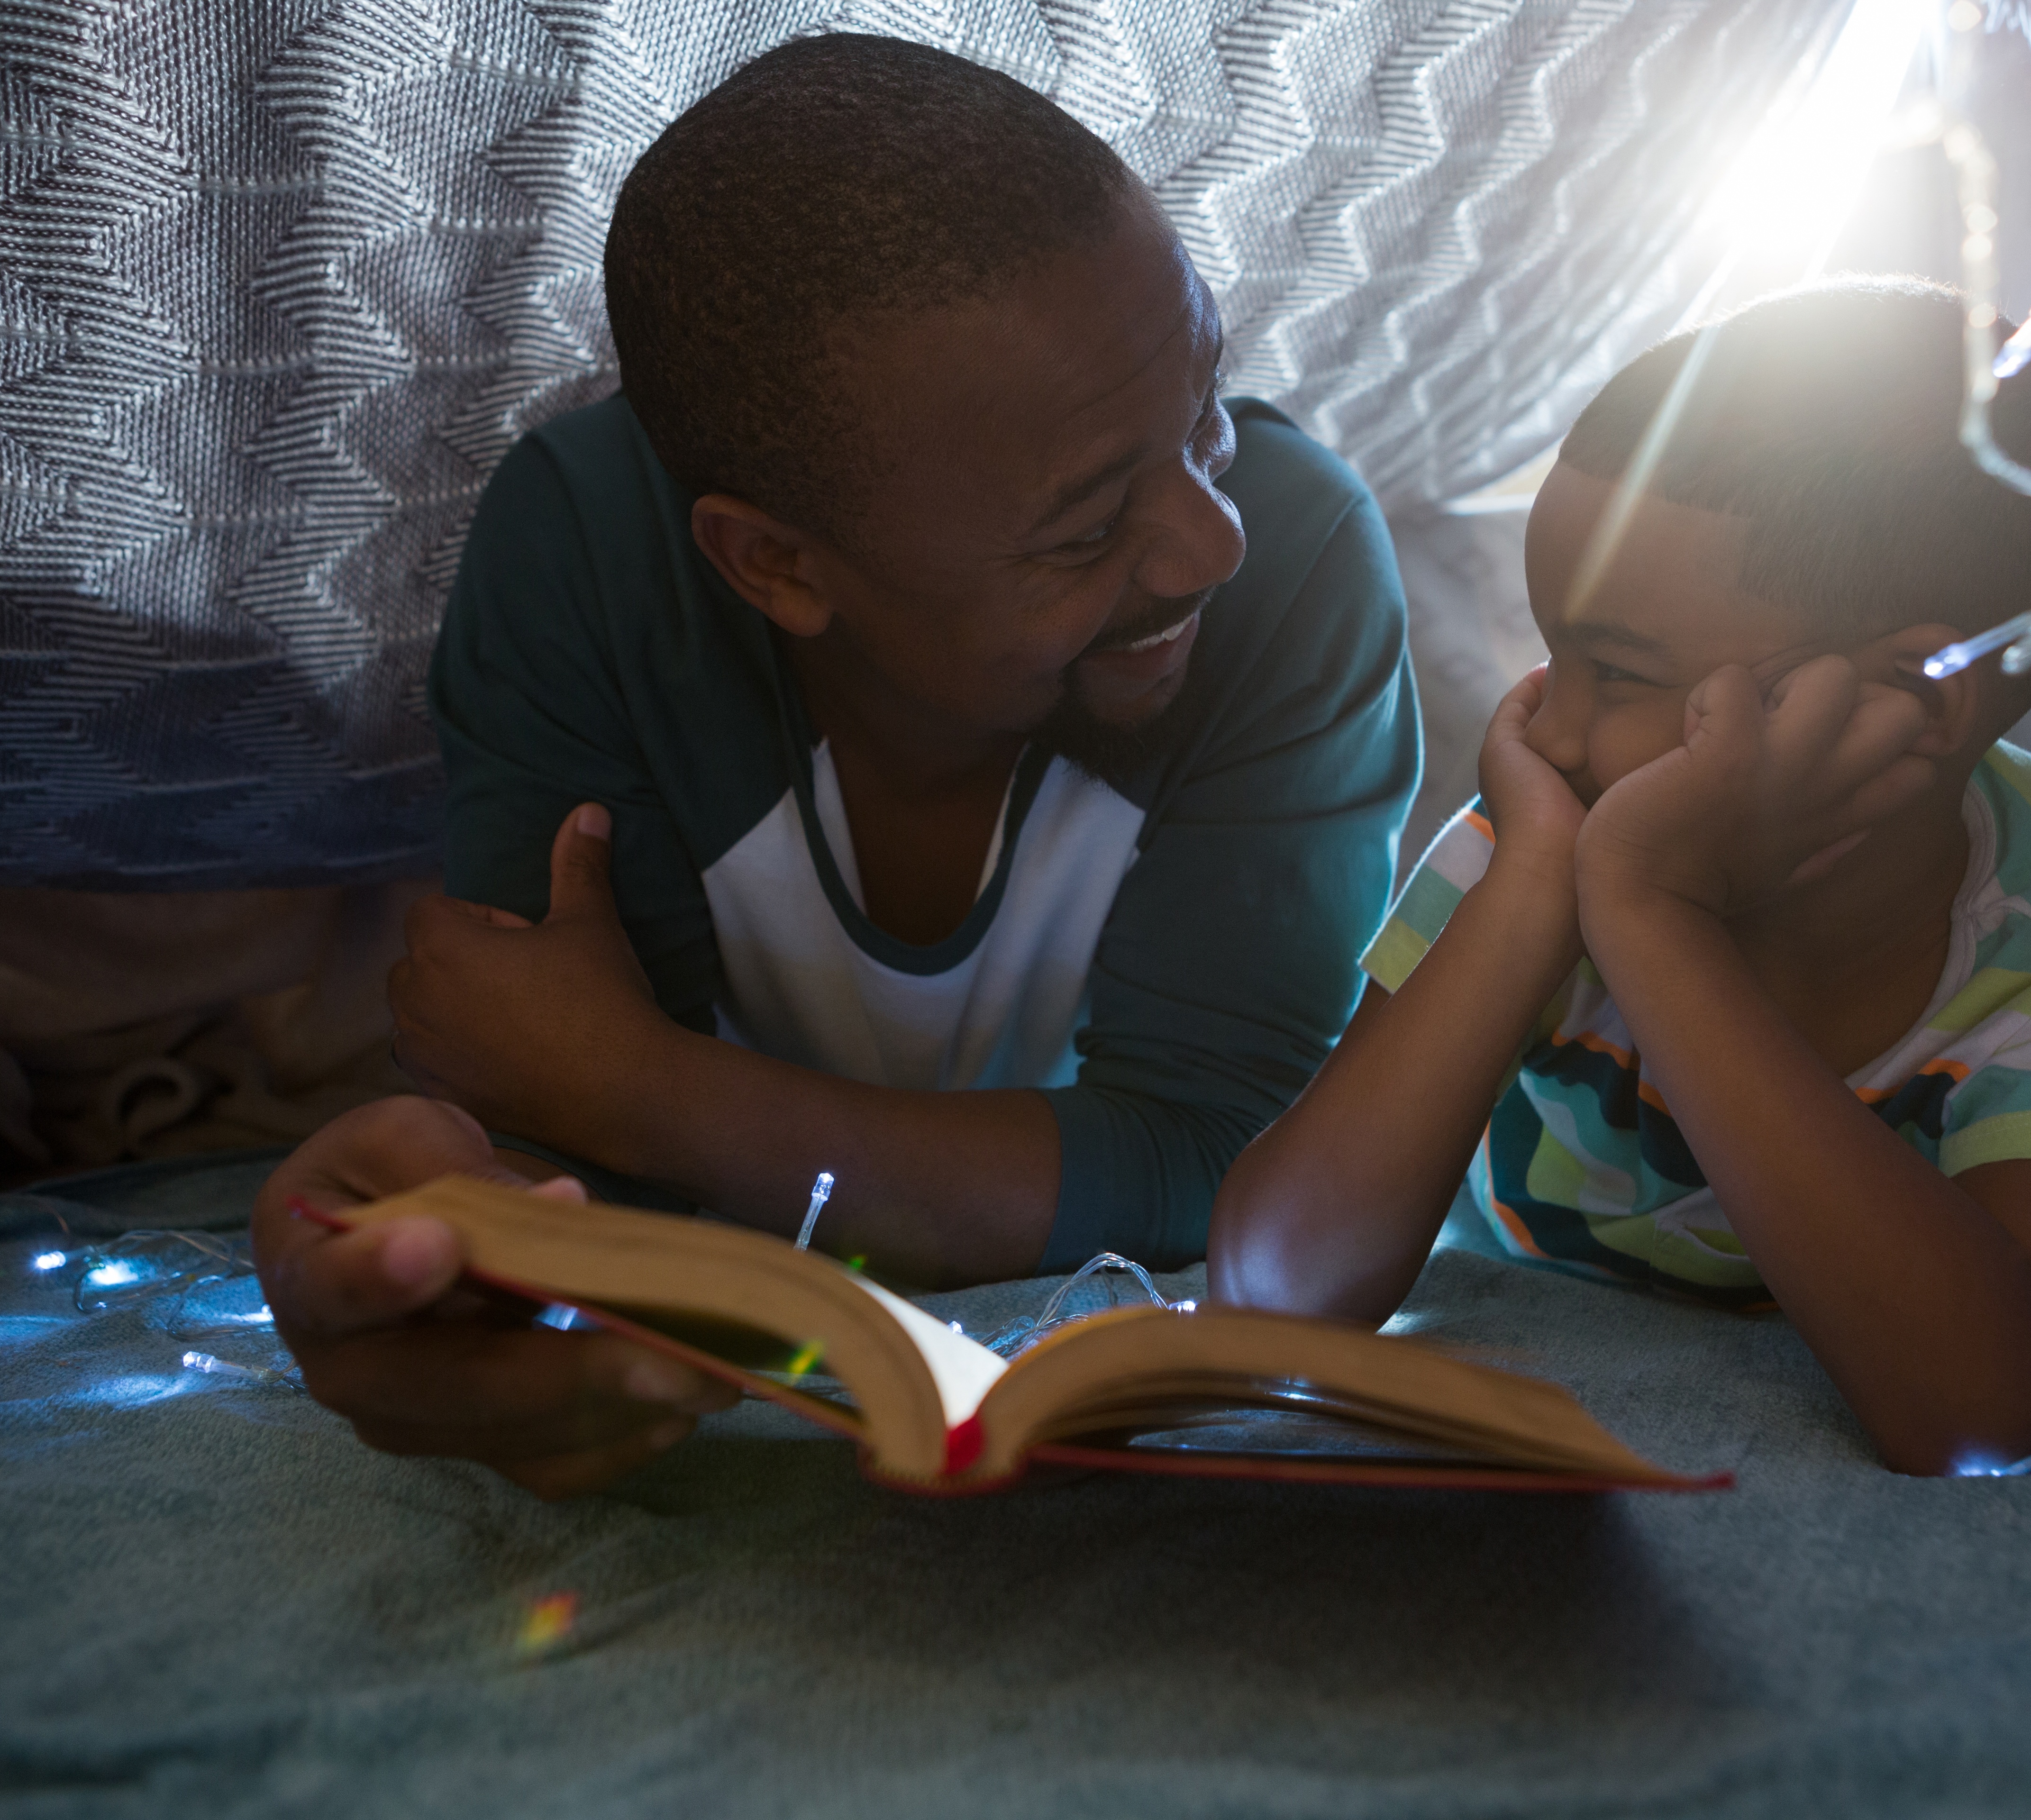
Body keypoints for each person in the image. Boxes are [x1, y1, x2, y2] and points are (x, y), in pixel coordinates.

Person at [251, 36, 1418, 1498]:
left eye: (1203, 415)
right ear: (777, 565)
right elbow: (557, 1151)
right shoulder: (589, 564)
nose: (1209, 545)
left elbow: (1232, 1168)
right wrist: (485, 1215)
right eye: (1082, 528)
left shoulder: (1300, 566)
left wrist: (649, 1094)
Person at [1208, 280, 2031, 1478]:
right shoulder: (1539, 834)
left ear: (1911, 705)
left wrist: (1653, 919)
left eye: (1621, 673)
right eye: (1554, 654)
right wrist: (1541, 893)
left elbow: (1985, 1414)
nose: (1551, 727)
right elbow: (1275, 1294)